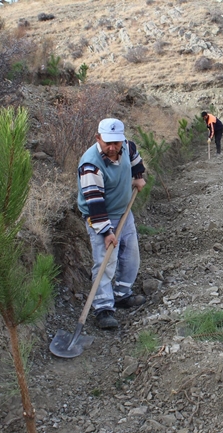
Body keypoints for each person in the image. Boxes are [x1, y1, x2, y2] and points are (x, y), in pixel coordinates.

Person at [77, 118, 147, 330]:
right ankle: (103, 307)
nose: (113, 147)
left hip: (124, 212)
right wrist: (106, 232)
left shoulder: (126, 146)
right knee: (105, 262)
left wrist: (138, 176)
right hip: (100, 216)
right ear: (98, 138)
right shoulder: (90, 164)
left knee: (131, 254)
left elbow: (135, 159)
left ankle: (122, 294)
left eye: (116, 142)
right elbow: (95, 203)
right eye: (108, 142)